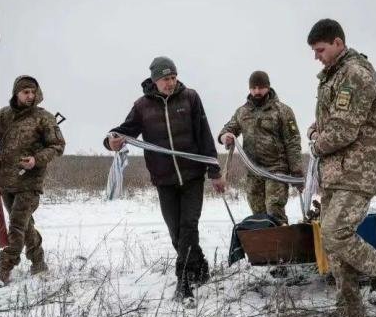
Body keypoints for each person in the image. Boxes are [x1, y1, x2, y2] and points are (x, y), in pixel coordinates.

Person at [104, 57, 226, 300]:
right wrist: (111, 140)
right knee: (176, 233)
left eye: (173, 78)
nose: (170, 83)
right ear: (154, 81)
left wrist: (214, 172)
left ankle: (183, 281)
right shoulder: (142, 106)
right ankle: (199, 266)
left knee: (188, 226)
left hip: (192, 175)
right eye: (165, 79)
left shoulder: (190, 97)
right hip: (164, 179)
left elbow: (204, 135)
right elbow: (124, 130)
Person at [306, 19, 376, 317]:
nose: (317, 56)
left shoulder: (354, 74)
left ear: (338, 43)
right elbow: (336, 118)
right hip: (336, 171)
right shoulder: (334, 75)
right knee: (332, 243)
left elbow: (343, 130)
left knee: (334, 234)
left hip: (356, 170)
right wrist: (317, 127)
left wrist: (317, 144)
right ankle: (349, 307)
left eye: (320, 49)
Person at [0, 75, 66, 285]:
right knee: (25, 226)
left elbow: (57, 146)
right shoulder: (3, 116)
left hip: (30, 181)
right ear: (16, 93)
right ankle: (38, 261)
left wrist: (36, 160)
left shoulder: (44, 117)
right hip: (6, 179)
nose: (30, 96)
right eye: (26, 92)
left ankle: (4, 268)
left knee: (16, 224)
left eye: (33, 92)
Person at [218, 71, 303, 224]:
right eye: (254, 88)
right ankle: (263, 247)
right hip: (253, 173)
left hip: (276, 171)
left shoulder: (282, 111)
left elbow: (293, 142)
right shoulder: (242, 112)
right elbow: (227, 130)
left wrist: (297, 173)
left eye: (261, 87)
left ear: (268, 87)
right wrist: (225, 137)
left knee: (274, 210)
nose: (257, 91)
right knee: (258, 215)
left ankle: (282, 245)